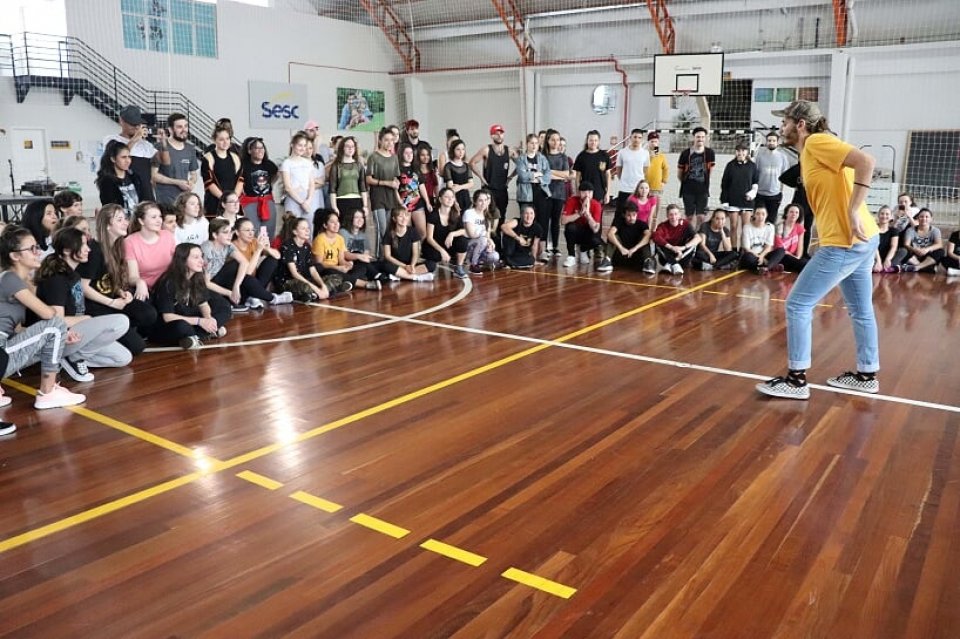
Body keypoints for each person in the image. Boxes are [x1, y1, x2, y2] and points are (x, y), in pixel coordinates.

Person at [756, 100, 880, 400]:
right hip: (864, 239)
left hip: (846, 242)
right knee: (861, 310)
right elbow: (826, 198)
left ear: (800, 125)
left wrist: (853, 211)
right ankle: (867, 375)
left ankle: (796, 379)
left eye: (785, 121)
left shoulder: (817, 142)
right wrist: (816, 235)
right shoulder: (813, 153)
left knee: (797, 305)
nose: (781, 127)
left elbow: (867, 162)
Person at [0, 225, 86, 410]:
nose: (38, 252)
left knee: (54, 331)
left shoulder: (15, 280)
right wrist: (57, 332)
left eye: (37, 247)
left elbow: (16, 331)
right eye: (31, 249)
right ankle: (48, 393)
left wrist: (56, 336)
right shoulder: (9, 278)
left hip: (4, 348)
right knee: (55, 325)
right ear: (15, 256)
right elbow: (49, 314)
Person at [35, 227, 132, 380]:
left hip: (78, 333)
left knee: (122, 358)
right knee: (121, 321)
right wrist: (87, 319)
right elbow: (57, 321)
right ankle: (71, 358)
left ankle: (72, 357)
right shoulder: (57, 279)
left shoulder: (73, 273)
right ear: (67, 250)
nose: (88, 249)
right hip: (64, 337)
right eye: (83, 245)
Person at [79, 204, 158, 356]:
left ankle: (120, 331)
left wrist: (121, 292)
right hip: (96, 306)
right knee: (137, 347)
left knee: (148, 314)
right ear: (108, 226)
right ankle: (103, 336)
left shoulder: (117, 247)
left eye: (125, 219)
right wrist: (111, 302)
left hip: (112, 299)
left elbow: (109, 280)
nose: (126, 223)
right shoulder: (94, 250)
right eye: (119, 220)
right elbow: (84, 287)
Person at [150, 243, 230, 350]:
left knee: (224, 307)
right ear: (183, 260)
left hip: (188, 316)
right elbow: (168, 317)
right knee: (182, 327)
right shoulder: (169, 282)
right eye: (196, 257)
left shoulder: (197, 277)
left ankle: (197, 336)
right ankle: (204, 334)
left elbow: (203, 304)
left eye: (201, 256)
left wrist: (208, 319)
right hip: (167, 325)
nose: (201, 261)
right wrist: (200, 321)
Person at [312, 209, 379, 291]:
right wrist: (338, 268)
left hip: (339, 269)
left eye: (337, 221)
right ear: (325, 225)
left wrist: (347, 264)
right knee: (331, 271)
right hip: (326, 270)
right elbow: (319, 264)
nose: (336, 224)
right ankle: (365, 284)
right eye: (332, 222)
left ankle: (346, 283)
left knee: (361, 267)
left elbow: (341, 259)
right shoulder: (320, 239)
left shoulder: (339, 238)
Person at [231, 217, 291, 305]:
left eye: (253, 230)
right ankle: (271, 298)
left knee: (272, 260)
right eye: (247, 230)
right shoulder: (232, 246)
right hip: (240, 284)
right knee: (248, 278)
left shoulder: (254, 242)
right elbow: (248, 272)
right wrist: (258, 250)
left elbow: (278, 256)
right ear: (237, 232)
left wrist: (266, 248)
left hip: (255, 282)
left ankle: (255, 296)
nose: (251, 233)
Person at [103, 104, 157, 202]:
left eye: (138, 124)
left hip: (145, 193)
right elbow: (117, 155)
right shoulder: (112, 140)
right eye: (132, 124)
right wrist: (135, 138)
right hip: (125, 191)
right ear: (121, 121)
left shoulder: (145, 144)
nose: (136, 127)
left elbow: (163, 161)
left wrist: (163, 143)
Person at [125, 201, 176, 302]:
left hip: (166, 286)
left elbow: (176, 264)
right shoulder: (130, 242)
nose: (159, 221)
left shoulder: (167, 235)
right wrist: (140, 282)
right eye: (153, 217)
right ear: (141, 221)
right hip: (145, 288)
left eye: (160, 216)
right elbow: (132, 276)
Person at [274, 216, 331, 302]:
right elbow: (294, 274)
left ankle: (315, 294)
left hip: (304, 279)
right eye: (303, 228)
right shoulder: (288, 246)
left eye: (308, 228)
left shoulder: (306, 246)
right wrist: (316, 288)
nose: (307, 230)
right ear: (295, 232)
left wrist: (322, 285)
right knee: (305, 287)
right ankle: (316, 293)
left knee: (334, 278)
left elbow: (312, 270)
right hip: (288, 282)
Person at [366, 127, 402, 259]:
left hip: (391, 197)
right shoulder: (374, 157)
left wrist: (397, 188)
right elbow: (369, 179)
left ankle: (383, 256)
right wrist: (386, 183)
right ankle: (381, 258)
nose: (389, 143)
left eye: (392, 140)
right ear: (380, 141)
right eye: (386, 140)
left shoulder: (394, 158)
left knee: (388, 229)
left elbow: (396, 178)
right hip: (378, 196)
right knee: (381, 228)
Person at [153, 112, 199, 206]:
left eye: (186, 126)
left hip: (184, 202)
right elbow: (154, 176)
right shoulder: (159, 147)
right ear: (170, 129)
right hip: (165, 202)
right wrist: (177, 182)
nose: (184, 130)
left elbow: (193, 174)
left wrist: (192, 182)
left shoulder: (190, 148)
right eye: (179, 127)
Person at [513, 134, 551, 247]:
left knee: (542, 221)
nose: (534, 145)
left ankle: (542, 249)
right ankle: (525, 246)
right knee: (526, 221)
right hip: (525, 194)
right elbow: (522, 176)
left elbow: (547, 175)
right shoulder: (521, 159)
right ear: (527, 144)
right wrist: (536, 174)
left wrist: (537, 178)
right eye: (531, 143)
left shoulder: (542, 158)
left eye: (536, 143)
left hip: (540, 192)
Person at [720, 142, 759, 249]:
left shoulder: (752, 166)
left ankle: (743, 249)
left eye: (743, 151)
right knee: (733, 226)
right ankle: (734, 250)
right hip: (733, 200)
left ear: (746, 152)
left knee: (745, 227)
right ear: (735, 152)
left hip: (747, 201)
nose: (740, 153)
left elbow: (755, 182)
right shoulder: (730, 165)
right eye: (738, 151)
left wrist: (753, 192)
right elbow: (724, 183)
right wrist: (724, 199)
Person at [469, 124, 513, 219]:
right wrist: (481, 177)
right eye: (496, 134)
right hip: (489, 188)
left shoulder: (508, 150)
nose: (499, 136)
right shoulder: (487, 149)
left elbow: (521, 164)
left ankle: (498, 234)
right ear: (492, 136)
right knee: (488, 215)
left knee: (501, 216)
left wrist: (511, 177)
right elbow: (472, 163)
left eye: (501, 133)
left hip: (502, 189)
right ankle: (488, 234)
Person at [96, 140, 150, 216]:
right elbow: (110, 207)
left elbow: (142, 200)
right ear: (113, 159)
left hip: (136, 222)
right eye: (123, 157)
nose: (128, 161)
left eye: (129, 157)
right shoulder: (107, 181)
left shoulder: (134, 177)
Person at [423, 188, 469, 278]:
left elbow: (464, 230)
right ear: (440, 199)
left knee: (463, 241)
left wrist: (451, 234)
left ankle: (458, 267)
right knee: (436, 256)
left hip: (448, 244)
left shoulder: (456, 213)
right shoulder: (433, 215)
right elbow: (429, 238)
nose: (450, 199)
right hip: (435, 245)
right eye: (447, 197)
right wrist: (442, 251)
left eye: (452, 197)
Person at [599, 200, 654, 274]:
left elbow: (648, 235)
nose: (631, 218)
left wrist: (635, 248)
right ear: (624, 215)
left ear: (637, 214)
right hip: (621, 254)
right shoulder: (619, 222)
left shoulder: (642, 224)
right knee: (614, 236)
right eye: (629, 215)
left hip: (636, 256)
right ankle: (607, 260)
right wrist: (621, 248)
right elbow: (610, 234)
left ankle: (648, 262)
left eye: (634, 215)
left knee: (645, 236)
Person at [239, 137, 278, 238]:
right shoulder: (244, 165)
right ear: (249, 150)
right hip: (250, 202)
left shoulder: (268, 164)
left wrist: (270, 184)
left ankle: (267, 252)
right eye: (257, 148)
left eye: (262, 148)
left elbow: (276, 174)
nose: (260, 150)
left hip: (267, 201)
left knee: (269, 231)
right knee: (253, 230)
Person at [381, 208, 435, 281]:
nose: (404, 218)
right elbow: (387, 256)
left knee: (432, 264)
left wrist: (412, 266)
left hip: (410, 264)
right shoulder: (389, 233)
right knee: (385, 266)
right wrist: (405, 266)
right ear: (394, 219)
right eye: (400, 216)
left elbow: (416, 253)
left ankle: (400, 275)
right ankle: (416, 277)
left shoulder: (413, 231)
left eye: (406, 216)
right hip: (397, 264)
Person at [678, 126, 716, 229]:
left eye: (703, 137)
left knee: (701, 217)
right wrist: (687, 182)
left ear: (705, 138)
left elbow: (710, 172)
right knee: (689, 217)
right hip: (688, 190)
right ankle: (689, 236)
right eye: (698, 137)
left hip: (702, 190)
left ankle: (698, 236)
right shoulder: (685, 153)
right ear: (694, 137)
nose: (700, 139)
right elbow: (679, 173)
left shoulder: (710, 153)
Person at [280, 132, 318, 234]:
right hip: (293, 198)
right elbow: (288, 187)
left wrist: (308, 200)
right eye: (300, 145)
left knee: (308, 229)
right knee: (292, 228)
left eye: (304, 145)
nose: (302, 148)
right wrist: (301, 202)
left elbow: (312, 184)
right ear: (292, 145)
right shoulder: (287, 163)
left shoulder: (308, 163)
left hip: (308, 199)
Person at [328, 136, 369, 230]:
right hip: (341, 201)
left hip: (357, 201)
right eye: (347, 146)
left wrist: (365, 206)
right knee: (343, 229)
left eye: (352, 146)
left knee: (357, 229)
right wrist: (334, 206)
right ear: (342, 148)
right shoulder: (336, 166)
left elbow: (363, 186)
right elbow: (332, 188)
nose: (350, 148)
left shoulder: (359, 165)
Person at [560, 182, 604, 267]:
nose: (587, 195)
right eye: (584, 192)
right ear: (579, 192)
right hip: (576, 231)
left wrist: (588, 215)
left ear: (593, 193)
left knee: (596, 241)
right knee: (570, 227)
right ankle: (571, 256)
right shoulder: (572, 200)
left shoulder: (596, 204)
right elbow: (563, 221)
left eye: (589, 192)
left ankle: (583, 250)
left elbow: (596, 229)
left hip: (587, 232)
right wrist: (579, 213)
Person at [543, 129, 571, 260]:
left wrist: (550, 172)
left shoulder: (563, 157)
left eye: (557, 139)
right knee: (544, 221)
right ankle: (544, 247)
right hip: (545, 192)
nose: (555, 142)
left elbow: (566, 174)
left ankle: (555, 246)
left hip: (559, 193)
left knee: (555, 221)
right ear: (548, 141)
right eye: (552, 139)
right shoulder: (542, 156)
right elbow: (543, 175)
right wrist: (554, 175)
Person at [339, 208, 386, 286]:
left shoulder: (364, 234)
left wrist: (363, 258)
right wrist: (359, 256)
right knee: (358, 255)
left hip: (361, 264)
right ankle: (376, 275)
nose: (360, 220)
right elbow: (343, 254)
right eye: (357, 217)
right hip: (348, 262)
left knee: (383, 264)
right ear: (350, 218)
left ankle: (351, 280)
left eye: (362, 217)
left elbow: (366, 253)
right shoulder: (343, 232)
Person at [652, 203, 701, 275]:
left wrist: (682, 248)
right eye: (671, 214)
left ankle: (670, 264)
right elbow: (655, 237)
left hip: (682, 257)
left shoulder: (685, 224)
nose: (674, 217)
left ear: (680, 215)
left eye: (676, 214)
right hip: (666, 257)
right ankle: (675, 264)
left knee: (694, 243)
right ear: (667, 216)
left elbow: (698, 238)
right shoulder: (662, 226)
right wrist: (671, 247)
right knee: (659, 243)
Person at [754, 131, 791, 223]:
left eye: (773, 140)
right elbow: (755, 174)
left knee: (771, 222)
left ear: (777, 142)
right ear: (766, 142)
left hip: (775, 195)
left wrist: (780, 191)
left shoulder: (782, 157)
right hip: (760, 194)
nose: (771, 142)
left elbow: (784, 176)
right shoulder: (759, 157)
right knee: (759, 220)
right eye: (769, 140)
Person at [615, 129, 651, 219]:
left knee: (637, 214)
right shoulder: (622, 152)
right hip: (625, 188)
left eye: (639, 138)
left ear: (642, 139)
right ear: (630, 138)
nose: (637, 139)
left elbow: (645, 170)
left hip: (638, 189)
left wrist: (640, 184)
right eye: (635, 137)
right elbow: (619, 169)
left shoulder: (645, 153)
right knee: (620, 214)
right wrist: (624, 180)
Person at [461, 190, 500, 274]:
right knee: (482, 240)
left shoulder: (487, 216)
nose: (484, 203)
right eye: (480, 200)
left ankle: (479, 261)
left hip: (481, 244)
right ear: (475, 202)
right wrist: (485, 238)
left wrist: (490, 243)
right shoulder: (469, 213)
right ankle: (473, 264)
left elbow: (488, 236)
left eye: (485, 200)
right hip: (468, 246)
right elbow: (472, 234)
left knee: (495, 256)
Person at [739, 207, 785, 273]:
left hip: (764, 254)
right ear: (754, 215)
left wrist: (762, 256)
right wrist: (760, 258)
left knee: (781, 250)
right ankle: (770, 265)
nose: (760, 216)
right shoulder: (747, 227)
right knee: (747, 257)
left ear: (766, 215)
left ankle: (766, 268)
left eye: (763, 214)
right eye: (758, 214)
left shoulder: (770, 227)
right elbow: (747, 248)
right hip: (752, 255)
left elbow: (768, 246)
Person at [398, 144, 430, 238]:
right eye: (406, 153)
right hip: (404, 204)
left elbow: (421, 186)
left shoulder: (416, 168)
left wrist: (427, 202)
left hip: (417, 203)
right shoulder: (397, 169)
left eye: (411, 153)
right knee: (406, 232)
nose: (409, 155)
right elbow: (394, 189)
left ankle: (418, 250)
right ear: (402, 154)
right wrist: (400, 203)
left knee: (422, 233)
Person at [573, 130, 612, 206]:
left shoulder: (604, 155)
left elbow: (608, 175)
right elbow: (578, 177)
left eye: (595, 140)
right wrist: (578, 191)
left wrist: (608, 193)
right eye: (591, 140)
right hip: (585, 192)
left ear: (598, 141)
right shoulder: (581, 156)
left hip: (600, 192)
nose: (593, 142)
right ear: (587, 141)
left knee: (598, 216)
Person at [500, 204, 543, 269]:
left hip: (523, 254)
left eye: (531, 213)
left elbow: (535, 245)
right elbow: (503, 227)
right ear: (522, 215)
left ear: (534, 215)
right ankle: (508, 260)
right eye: (526, 213)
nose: (529, 216)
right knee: (509, 235)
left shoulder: (537, 228)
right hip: (511, 251)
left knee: (531, 260)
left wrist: (534, 260)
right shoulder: (516, 221)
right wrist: (517, 237)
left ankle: (508, 263)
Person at [901, 208, 943, 272]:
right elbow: (906, 244)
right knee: (904, 250)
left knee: (940, 251)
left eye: (927, 217)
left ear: (931, 219)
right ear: (918, 218)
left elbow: (939, 244)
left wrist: (927, 249)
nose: (924, 219)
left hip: (927, 257)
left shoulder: (935, 230)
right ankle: (926, 268)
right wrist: (914, 249)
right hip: (914, 256)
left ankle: (918, 267)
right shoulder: (910, 230)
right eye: (921, 216)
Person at [442, 139, 475, 214]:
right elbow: (451, 187)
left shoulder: (467, 166)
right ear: (453, 150)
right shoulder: (448, 166)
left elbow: (471, 184)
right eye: (458, 149)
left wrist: (460, 187)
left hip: (466, 197)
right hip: (454, 198)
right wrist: (454, 201)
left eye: (463, 149)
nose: (461, 152)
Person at [644, 131, 668, 226]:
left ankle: (654, 229)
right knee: (645, 209)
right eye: (652, 141)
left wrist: (664, 181)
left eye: (656, 142)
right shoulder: (644, 154)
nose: (654, 143)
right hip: (645, 186)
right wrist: (651, 156)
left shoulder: (661, 155)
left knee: (655, 211)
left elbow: (666, 168)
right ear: (648, 142)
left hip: (657, 186)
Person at [775, 203, 809, 272]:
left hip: (793, 257)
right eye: (791, 212)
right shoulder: (779, 227)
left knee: (807, 262)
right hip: (782, 256)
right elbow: (779, 248)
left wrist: (798, 257)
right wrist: (794, 258)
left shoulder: (799, 227)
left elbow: (800, 246)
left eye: (796, 212)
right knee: (804, 265)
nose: (794, 214)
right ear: (786, 214)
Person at [873, 205, 906, 273]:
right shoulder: (873, 229)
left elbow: (893, 247)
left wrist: (888, 259)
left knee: (903, 251)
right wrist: (878, 261)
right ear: (878, 215)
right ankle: (889, 268)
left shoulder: (894, 230)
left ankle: (885, 267)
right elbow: (873, 247)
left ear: (891, 217)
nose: (884, 216)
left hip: (888, 256)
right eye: (882, 213)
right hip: (875, 256)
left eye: (887, 214)